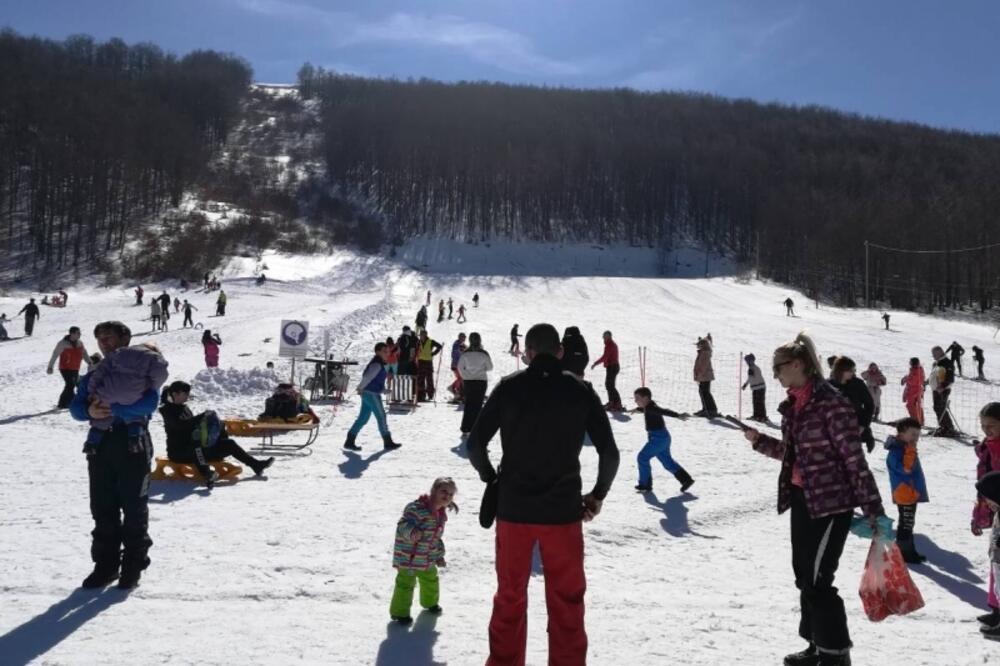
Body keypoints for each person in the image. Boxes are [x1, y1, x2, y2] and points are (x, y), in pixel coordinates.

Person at [467, 323, 620, 665]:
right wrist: (597, 496)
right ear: (561, 353)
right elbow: (609, 453)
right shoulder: (581, 391)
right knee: (567, 600)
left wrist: (492, 479)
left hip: (513, 509)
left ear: (527, 352)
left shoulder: (508, 388)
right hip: (563, 512)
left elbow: (475, 444)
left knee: (509, 597)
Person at [743, 332, 884, 666]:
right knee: (804, 576)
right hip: (803, 499)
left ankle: (835, 656)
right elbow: (794, 455)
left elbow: (854, 459)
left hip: (832, 504)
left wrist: (874, 510)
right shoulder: (796, 403)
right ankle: (816, 646)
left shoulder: (831, 403)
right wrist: (759, 440)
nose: (774, 375)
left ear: (797, 364)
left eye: (777, 368)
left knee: (819, 580)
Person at [69, 321, 164, 590]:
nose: (103, 343)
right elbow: (75, 407)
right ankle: (105, 566)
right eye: (99, 339)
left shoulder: (142, 367)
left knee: (134, 508)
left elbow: (150, 403)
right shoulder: (96, 373)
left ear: (125, 338)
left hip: (133, 444)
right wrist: (90, 413)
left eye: (108, 337)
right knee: (102, 507)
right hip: (100, 446)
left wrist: (114, 411)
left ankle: (133, 565)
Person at [159, 381, 274, 487]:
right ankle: (207, 474)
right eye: (185, 394)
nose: (188, 396)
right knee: (196, 447)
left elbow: (193, 426)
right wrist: (201, 417)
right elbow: (181, 426)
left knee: (229, 443)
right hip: (179, 452)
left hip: (195, 447)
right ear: (175, 394)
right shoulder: (167, 410)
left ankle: (256, 465)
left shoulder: (184, 408)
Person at [389, 477, 457, 624]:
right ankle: (400, 613)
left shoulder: (441, 514)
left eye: (451, 494)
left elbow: (435, 539)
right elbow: (402, 525)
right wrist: (412, 532)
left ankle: (430, 603)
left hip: (427, 558)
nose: (447, 496)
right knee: (405, 585)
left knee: (431, 580)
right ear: (433, 491)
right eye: (443, 491)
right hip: (409, 557)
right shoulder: (418, 509)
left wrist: (438, 555)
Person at [632, 387, 694, 493]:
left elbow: (663, 411)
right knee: (667, 462)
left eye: (637, 398)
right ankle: (686, 480)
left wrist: (677, 415)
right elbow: (649, 409)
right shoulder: (649, 406)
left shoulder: (652, 408)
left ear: (646, 398)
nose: (635, 401)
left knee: (642, 457)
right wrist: (639, 409)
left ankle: (645, 484)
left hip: (658, 439)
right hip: (662, 437)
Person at [885, 418, 929, 563]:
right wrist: (911, 450)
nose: (915, 438)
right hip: (904, 492)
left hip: (910, 492)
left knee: (908, 523)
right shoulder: (896, 451)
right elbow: (906, 469)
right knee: (905, 524)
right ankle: (903, 553)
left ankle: (910, 551)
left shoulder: (904, 447)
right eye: (913, 434)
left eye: (917, 435)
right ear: (902, 433)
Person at [972, 403, 1000, 634]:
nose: (986, 430)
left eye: (991, 426)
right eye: (983, 426)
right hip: (997, 508)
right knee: (996, 559)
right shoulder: (988, 446)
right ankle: (997, 608)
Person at [344, 343, 402, 450]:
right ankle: (387, 441)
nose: (387, 353)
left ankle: (349, 440)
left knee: (363, 418)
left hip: (369, 393)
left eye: (387, 351)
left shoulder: (379, 363)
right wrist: (360, 388)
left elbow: (375, 380)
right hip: (371, 394)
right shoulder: (377, 364)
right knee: (381, 416)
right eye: (384, 351)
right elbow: (367, 377)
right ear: (378, 352)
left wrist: (383, 390)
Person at [830, 356, 876, 453]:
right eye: (851, 370)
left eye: (854, 370)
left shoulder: (858, 384)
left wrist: (863, 426)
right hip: (833, 432)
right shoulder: (828, 385)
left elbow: (869, 405)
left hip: (855, 430)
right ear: (841, 371)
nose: (853, 373)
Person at [974, 470, 1000, 641]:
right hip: (997, 559)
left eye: (989, 499)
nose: (987, 503)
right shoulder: (999, 511)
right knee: (998, 590)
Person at [47, 326, 95, 408]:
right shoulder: (63, 343)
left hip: (75, 368)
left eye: (80, 333)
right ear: (72, 334)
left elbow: (84, 353)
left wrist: (89, 361)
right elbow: (55, 355)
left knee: (75, 384)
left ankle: (72, 401)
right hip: (65, 368)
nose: (80, 334)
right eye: (78, 333)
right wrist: (50, 367)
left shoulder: (80, 343)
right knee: (70, 385)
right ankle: (62, 404)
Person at [458, 332, 492, 435]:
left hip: (468, 381)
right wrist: (482, 369)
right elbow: (490, 367)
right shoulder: (484, 353)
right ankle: (476, 428)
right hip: (481, 381)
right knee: (478, 404)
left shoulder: (465, 354)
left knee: (468, 403)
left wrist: (465, 375)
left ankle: (465, 428)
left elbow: (460, 367)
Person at [591, 330, 623, 411]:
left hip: (612, 367)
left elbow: (605, 357)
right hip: (612, 367)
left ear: (609, 336)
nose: (603, 338)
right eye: (603, 336)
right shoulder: (610, 344)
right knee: (609, 385)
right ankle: (613, 402)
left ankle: (615, 403)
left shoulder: (610, 345)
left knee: (609, 385)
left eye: (605, 336)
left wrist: (595, 363)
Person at [929, 346, 957, 437]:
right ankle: (943, 427)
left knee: (941, 408)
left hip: (942, 390)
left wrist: (942, 387)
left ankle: (948, 429)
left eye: (934, 354)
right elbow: (934, 375)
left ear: (940, 353)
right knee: (937, 408)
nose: (933, 356)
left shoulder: (947, 363)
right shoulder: (938, 362)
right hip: (936, 389)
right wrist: (926, 382)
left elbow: (950, 378)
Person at [692, 334, 718, 418]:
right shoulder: (703, 352)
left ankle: (710, 409)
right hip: (703, 376)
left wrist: (699, 374)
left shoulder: (705, 353)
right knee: (703, 392)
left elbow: (703, 365)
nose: (698, 346)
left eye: (699, 344)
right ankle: (706, 408)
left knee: (705, 392)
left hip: (704, 376)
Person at [416, 330, 443, 401]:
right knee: (421, 379)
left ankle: (430, 395)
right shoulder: (418, 342)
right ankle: (421, 395)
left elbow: (439, 346)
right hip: (421, 361)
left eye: (421, 335)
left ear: (425, 335)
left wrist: (433, 353)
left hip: (428, 362)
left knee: (429, 379)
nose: (420, 337)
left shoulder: (431, 341)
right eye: (420, 335)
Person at [901, 357, 926, 425]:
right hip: (917, 390)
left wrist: (906, 379)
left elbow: (913, 381)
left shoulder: (916, 370)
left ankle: (915, 421)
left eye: (910, 362)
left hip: (913, 391)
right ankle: (920, 420)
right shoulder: (919, 369)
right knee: (917, 406)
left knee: (911, 406)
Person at [742, 353, 767, 421]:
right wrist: (745, 385)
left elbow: (750, 378)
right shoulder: (752, 368)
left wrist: (745, 385)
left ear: (751, 361)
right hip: (756, 388)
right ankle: (756, 415)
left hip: (760, 387)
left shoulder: (753, 368)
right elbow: (750, 378)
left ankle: (762, 416)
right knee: (756, 402)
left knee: (759, 402)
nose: (747, 363)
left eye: (747, 361)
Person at [447, 333, 467, 401]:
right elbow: (455, 353)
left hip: (461, 365)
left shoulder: (463, 345)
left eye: (464, 337)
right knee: (461, 378)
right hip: (456, 365)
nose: (464, 338)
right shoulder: (456, 344)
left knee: (461, 378)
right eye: (462, 337)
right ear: (459, 337)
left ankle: (459, 393)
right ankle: (452, 387)